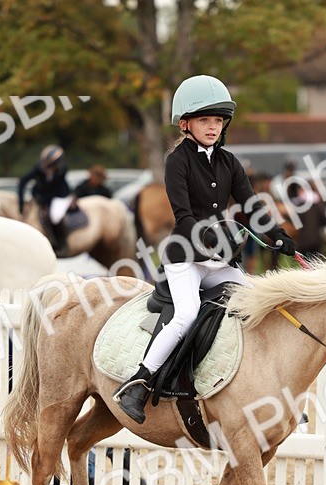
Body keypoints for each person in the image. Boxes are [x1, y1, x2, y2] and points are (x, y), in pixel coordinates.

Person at [113, 74, 296, 424]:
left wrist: (277, 234)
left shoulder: (230, 163)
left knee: (264, 303)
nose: (213, 127)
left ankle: (267, 389)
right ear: (186, 124)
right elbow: (182, 217)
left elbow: (252, 206)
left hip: (219, 261)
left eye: (217, 120)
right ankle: (139, 382)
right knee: (187, 313)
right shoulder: (177, 162)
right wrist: (213, 240)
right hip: (186, 259)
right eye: (204, 120)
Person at [18, 145, 80, 255]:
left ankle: (61, 244)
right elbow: (23, 180)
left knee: (55, 216)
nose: (45, 167)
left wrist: (42, 198)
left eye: (49, 165)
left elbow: (54, 190)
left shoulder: (62, 170)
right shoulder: (39, 168)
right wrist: (21, 201)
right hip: (43, 196)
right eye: (44, 164)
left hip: (59, 196)